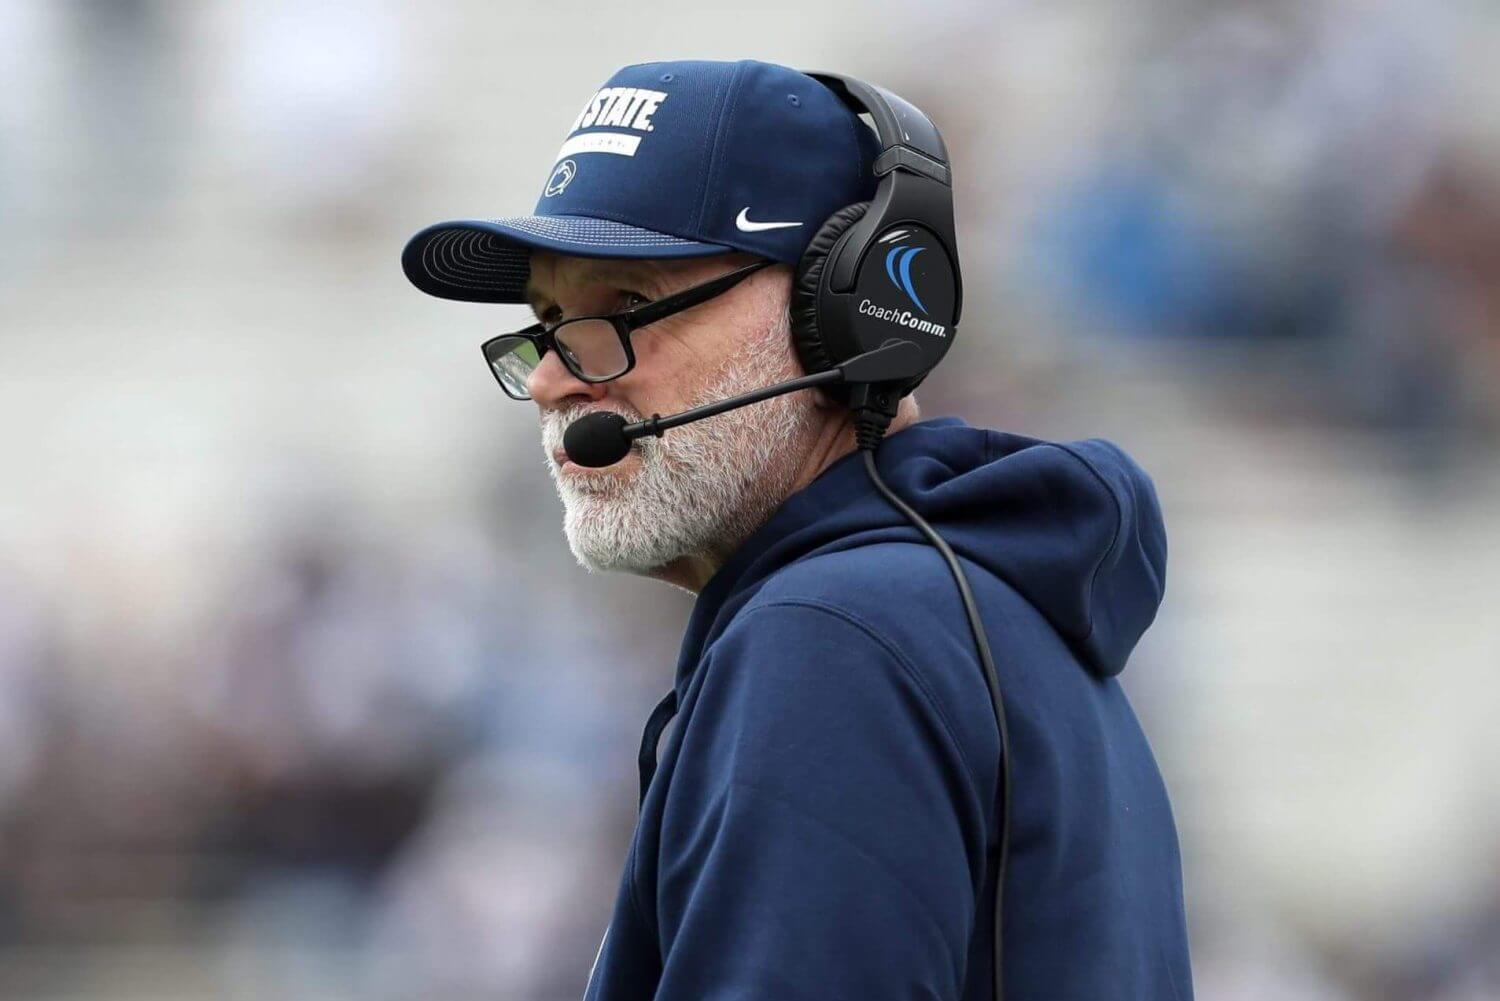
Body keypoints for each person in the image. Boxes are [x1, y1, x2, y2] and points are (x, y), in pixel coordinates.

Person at [403, 58, 1193, 1001]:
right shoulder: (986, 620)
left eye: (627, 306)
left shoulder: (830, 638)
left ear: (843, 317)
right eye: (547, 321)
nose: (548, 378)